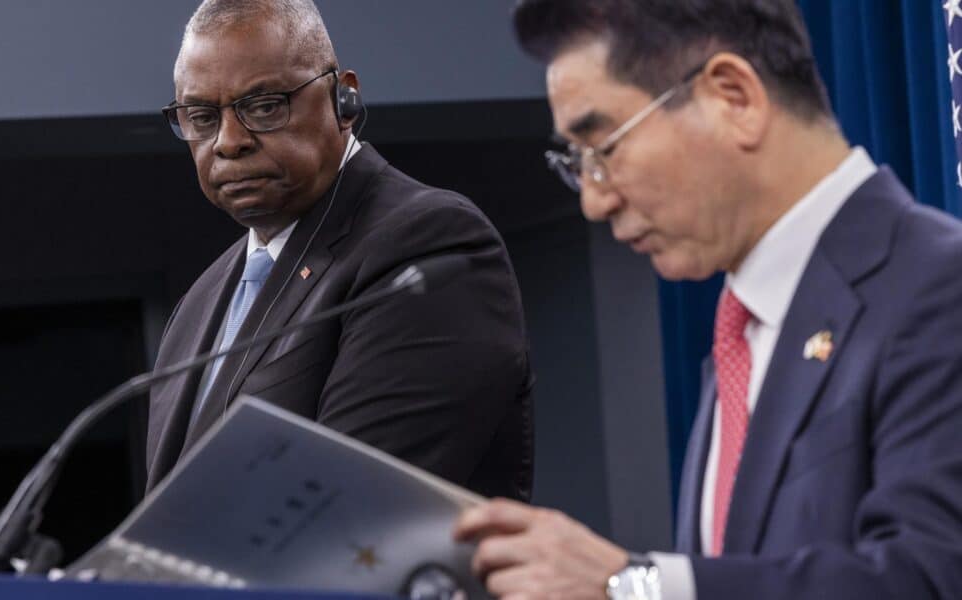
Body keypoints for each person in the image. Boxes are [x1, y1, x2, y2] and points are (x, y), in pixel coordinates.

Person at [455, 1, 962, 598]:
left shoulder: (940, 284)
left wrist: (633, 586)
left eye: (604, 148)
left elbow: (933, 577)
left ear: (734, 98)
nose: (594, 201)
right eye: (578, 163)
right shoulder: (741, 330)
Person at [145, 0, 533, 502]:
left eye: (264, 107)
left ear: (343, 99)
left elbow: (345, 511)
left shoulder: (428, 245)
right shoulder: (196, 306)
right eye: (201, 116)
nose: (229, 142)